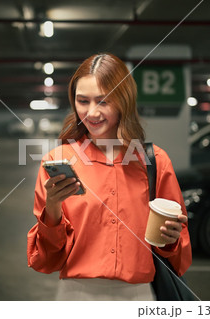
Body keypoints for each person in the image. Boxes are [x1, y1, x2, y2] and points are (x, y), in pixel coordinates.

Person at [27, 53, 191, 301]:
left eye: (103, 101)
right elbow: (46, 260)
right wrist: (52, 207)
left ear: (123, 101)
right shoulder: (57, 161)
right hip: (77, 298)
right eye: (83, 101)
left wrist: (170, 240)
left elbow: (179, 255)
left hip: (139, 296)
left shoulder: (154, 161)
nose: (92, 112)